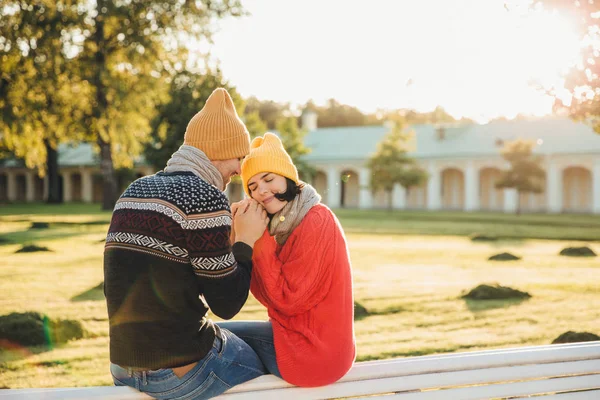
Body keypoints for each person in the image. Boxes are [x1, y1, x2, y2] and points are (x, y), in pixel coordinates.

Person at [104, 88, 269, 399]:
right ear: (221, 149)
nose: (240, 169)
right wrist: (245, 240)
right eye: (239, 156)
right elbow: (227, 304)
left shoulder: (135, 189)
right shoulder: (205, 197)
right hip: (177, 371)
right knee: (269, 363)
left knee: (255, 337)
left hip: (123, 366)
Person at [219, 132, 356, 387]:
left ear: (288, 177)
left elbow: (287, 300)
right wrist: (239, 237)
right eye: (253, 186)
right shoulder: (283, 227)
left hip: (315, 354)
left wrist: (255, 238)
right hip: (299, 339)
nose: (261, 190)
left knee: (210, 340)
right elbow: (266, 293)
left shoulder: (316, 220)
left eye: (268, 179)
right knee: (213, 336)